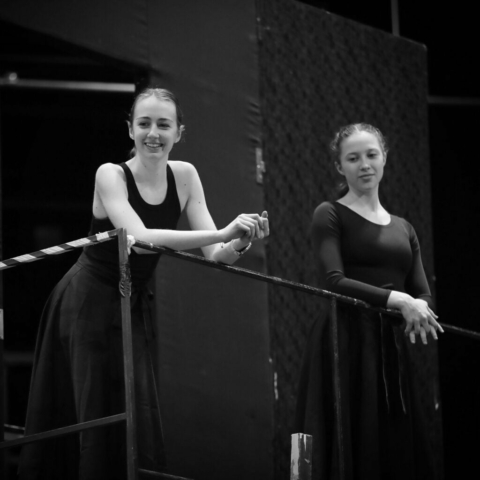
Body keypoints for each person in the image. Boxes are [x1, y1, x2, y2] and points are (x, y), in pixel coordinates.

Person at [19, 87, 269, 480]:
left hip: (131, 301)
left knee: (135, 410)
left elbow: (216, 256)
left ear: (179, 133)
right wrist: (223, 232)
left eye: (163, 125)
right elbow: (140, 240)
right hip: (86, 301)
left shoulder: (185, 176)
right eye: (144, 123)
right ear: (130, 130)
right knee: (92, 411)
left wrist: (240, 239)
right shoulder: (110, 174)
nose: (153, 133)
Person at [294, 123, 443, 479]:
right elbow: (334, 280)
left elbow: (422, 294)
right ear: (339, 166)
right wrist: (398, 300)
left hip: (389, 345)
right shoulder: (329, 213)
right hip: (345, 338)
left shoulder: (404, 227)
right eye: (353, 158)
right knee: (348, 439)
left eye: (371, 155)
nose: (364, 165)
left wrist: (414, 306)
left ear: (384, 157)